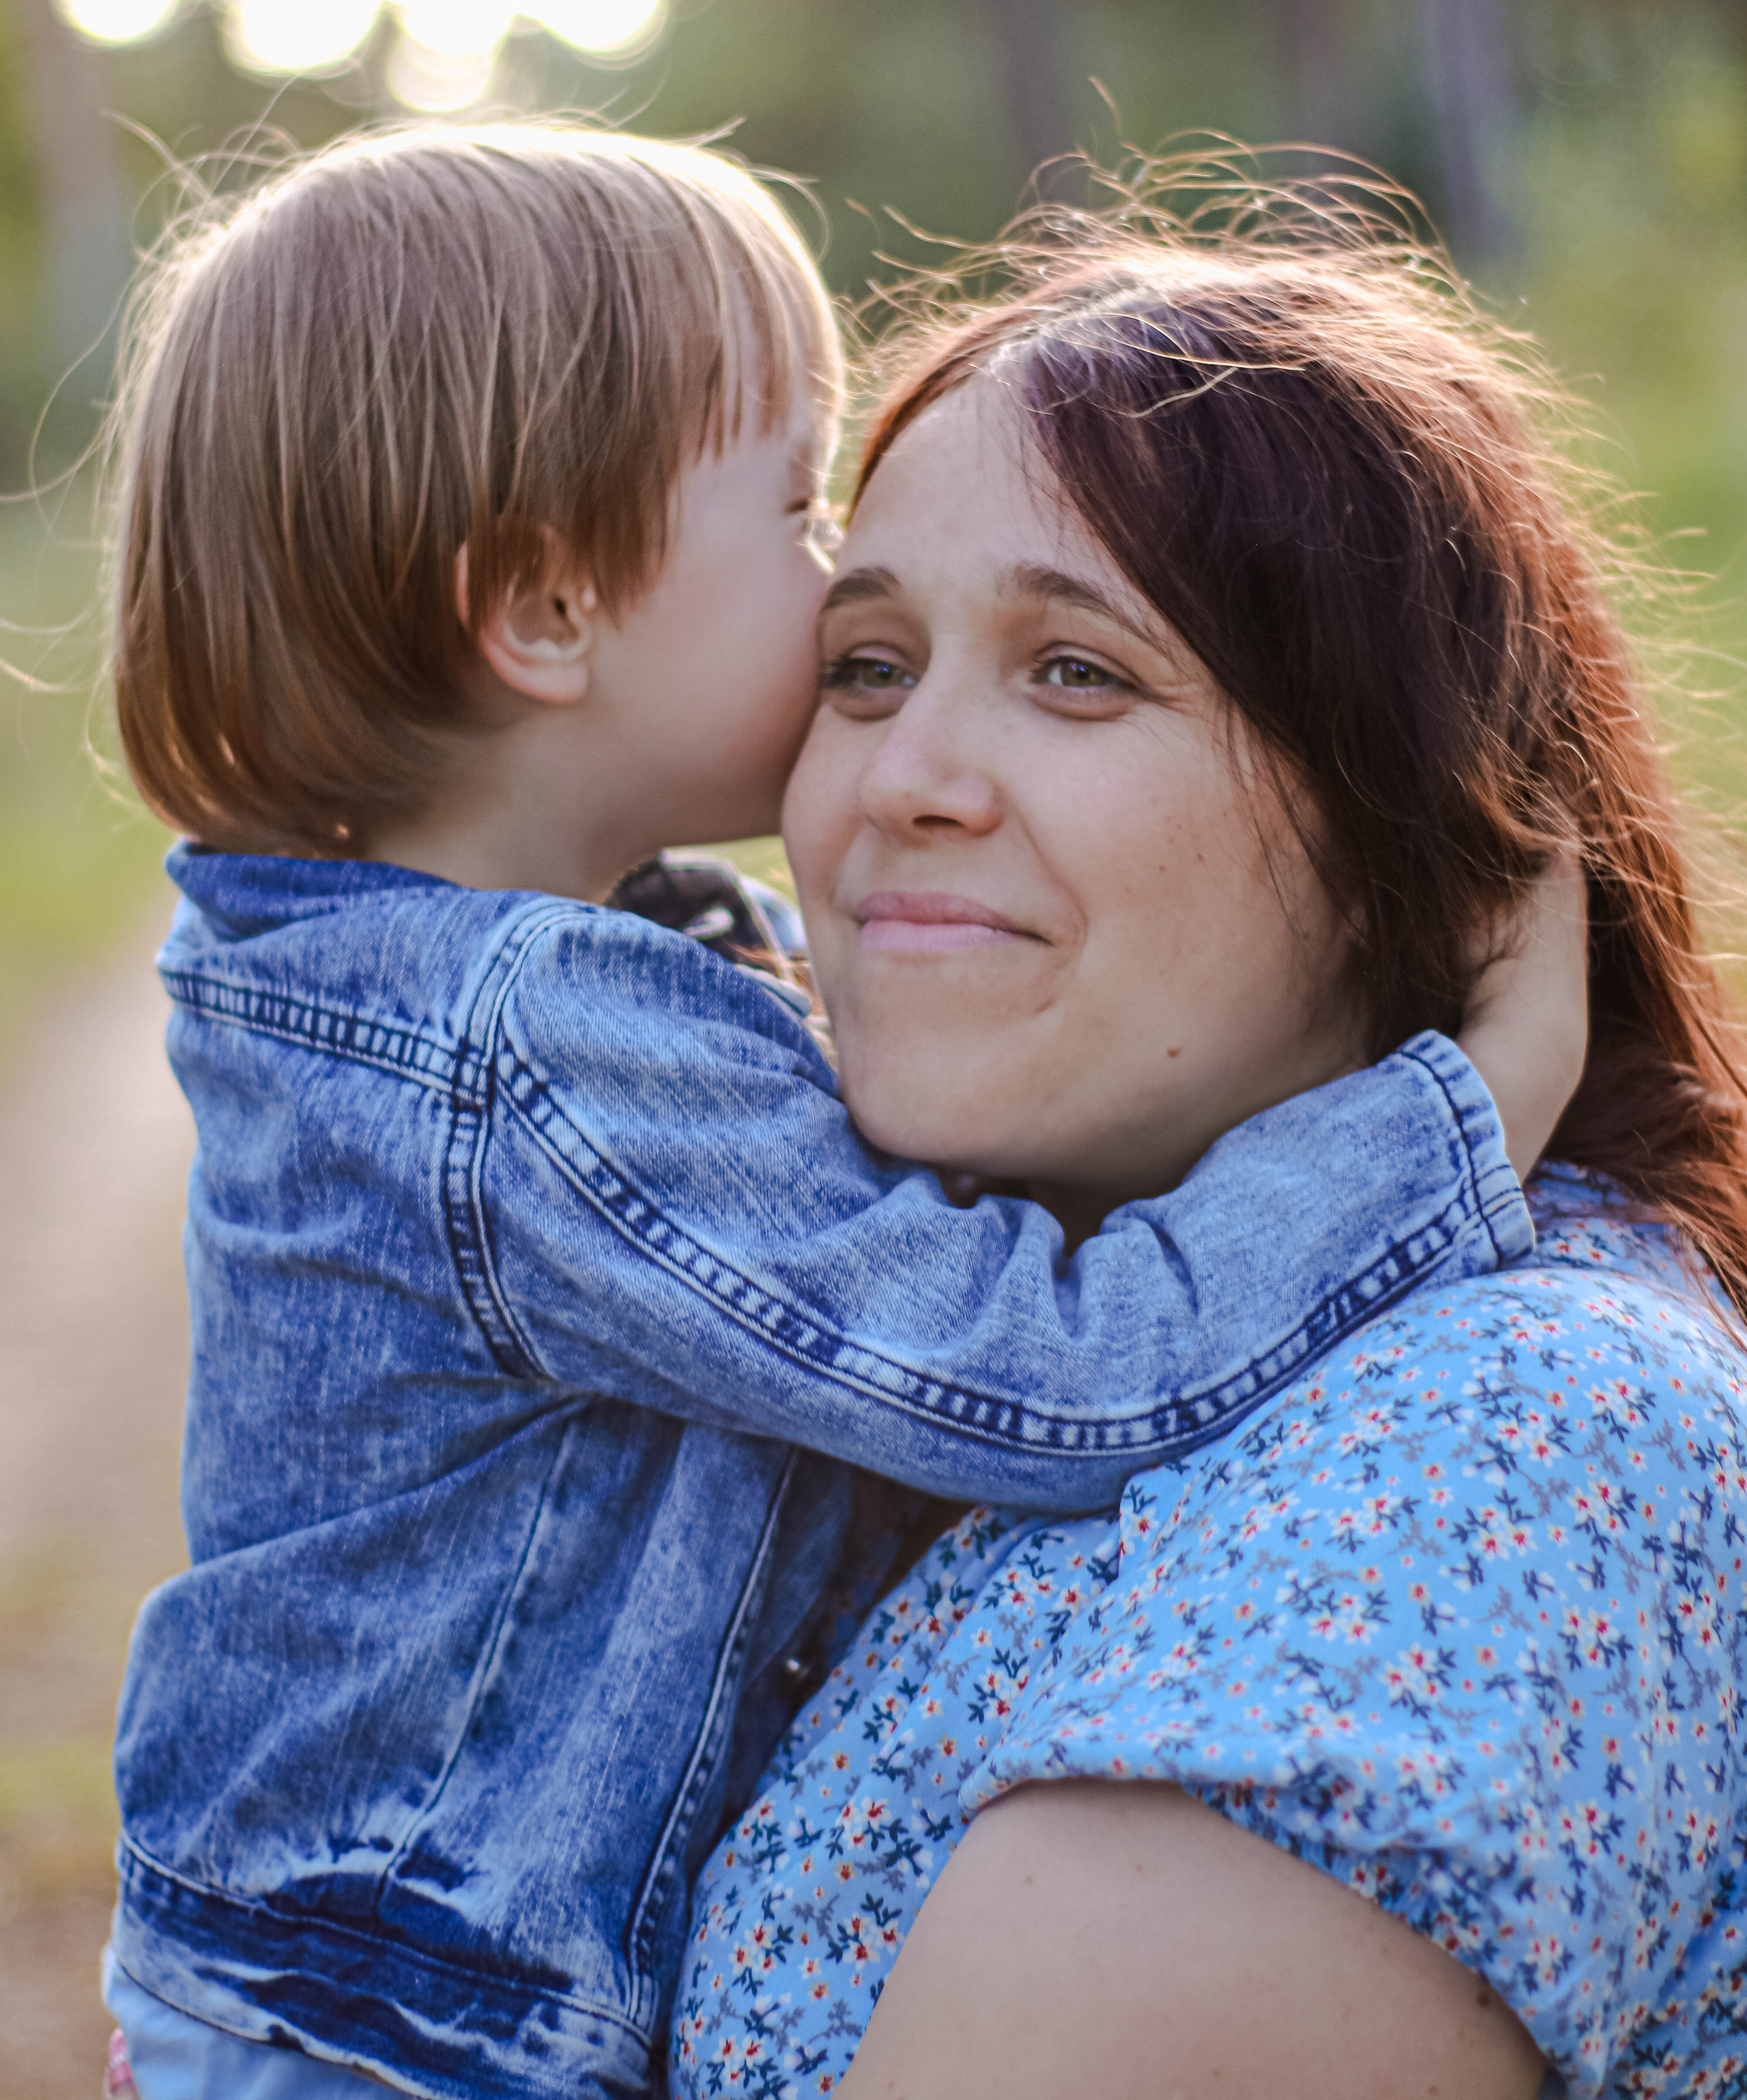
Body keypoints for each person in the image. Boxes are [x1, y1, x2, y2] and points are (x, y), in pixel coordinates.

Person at [96, 127, 1562, 2100]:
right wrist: (1465, 1108)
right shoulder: (531, 1055)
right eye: (794, 516)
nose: (825, 584)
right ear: (545, 611)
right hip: (403, 2040)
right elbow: (1057, 1370)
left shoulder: (432, 983)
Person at [673, 211, 1747, 2100]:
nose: (906, 775)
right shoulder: (930, 1371)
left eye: (1078, 673)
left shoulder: (1496, 1445)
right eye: (866, 663)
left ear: (1415, 823)